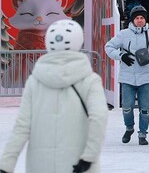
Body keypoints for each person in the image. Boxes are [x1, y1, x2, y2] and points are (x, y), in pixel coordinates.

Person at [0, 19, 108, 173]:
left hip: (40, 164)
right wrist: (89, 156)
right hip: (78, 163)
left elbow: (21, 126)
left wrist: (6, 164)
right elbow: (99, 118)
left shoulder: (35, 81)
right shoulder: (90, 81)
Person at [105, 6, 149, 146]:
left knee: (145, 109)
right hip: (127, 77)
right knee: (127, 107)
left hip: (145, 76)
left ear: (145, 20)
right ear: (133, 20)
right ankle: (129, 128)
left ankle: (143, 134)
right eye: (137, 18)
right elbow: (108, 47)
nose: (140, 20)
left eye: (142, 18)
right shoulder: (123, 34)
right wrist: (121, 55)